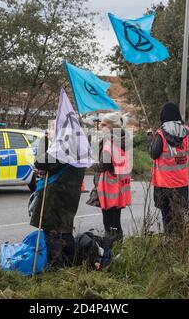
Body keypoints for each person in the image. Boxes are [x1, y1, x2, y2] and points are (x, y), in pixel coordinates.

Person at [30, 131, 86, 269]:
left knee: (52, 230)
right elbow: (58, 167)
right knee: (65, 230)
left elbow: (40, 162)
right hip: (70, 194)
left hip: (56, 195)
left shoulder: (63, 147)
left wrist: (45, 140)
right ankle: (71, 264)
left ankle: (57, 267)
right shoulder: (81, 146)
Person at [88, 112, 131, 266]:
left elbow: (104, 165)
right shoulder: (124, 140)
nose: (100, 126)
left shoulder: (109, 142)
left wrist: (91, 164)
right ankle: (118, 254)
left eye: (104, 124)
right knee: (116, 224)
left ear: (113, 126)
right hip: (120, 186)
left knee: (109, 226)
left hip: (109, 188)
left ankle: (108, 259)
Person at [147, 102, 189, 234]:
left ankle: (170, 244)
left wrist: (150, 138)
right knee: (179, 218)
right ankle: (179, 246)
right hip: (181, 183)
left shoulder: (160, 134)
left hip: (164, 184)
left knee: (167, 217)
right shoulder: (187, 132)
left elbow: (153, 153)